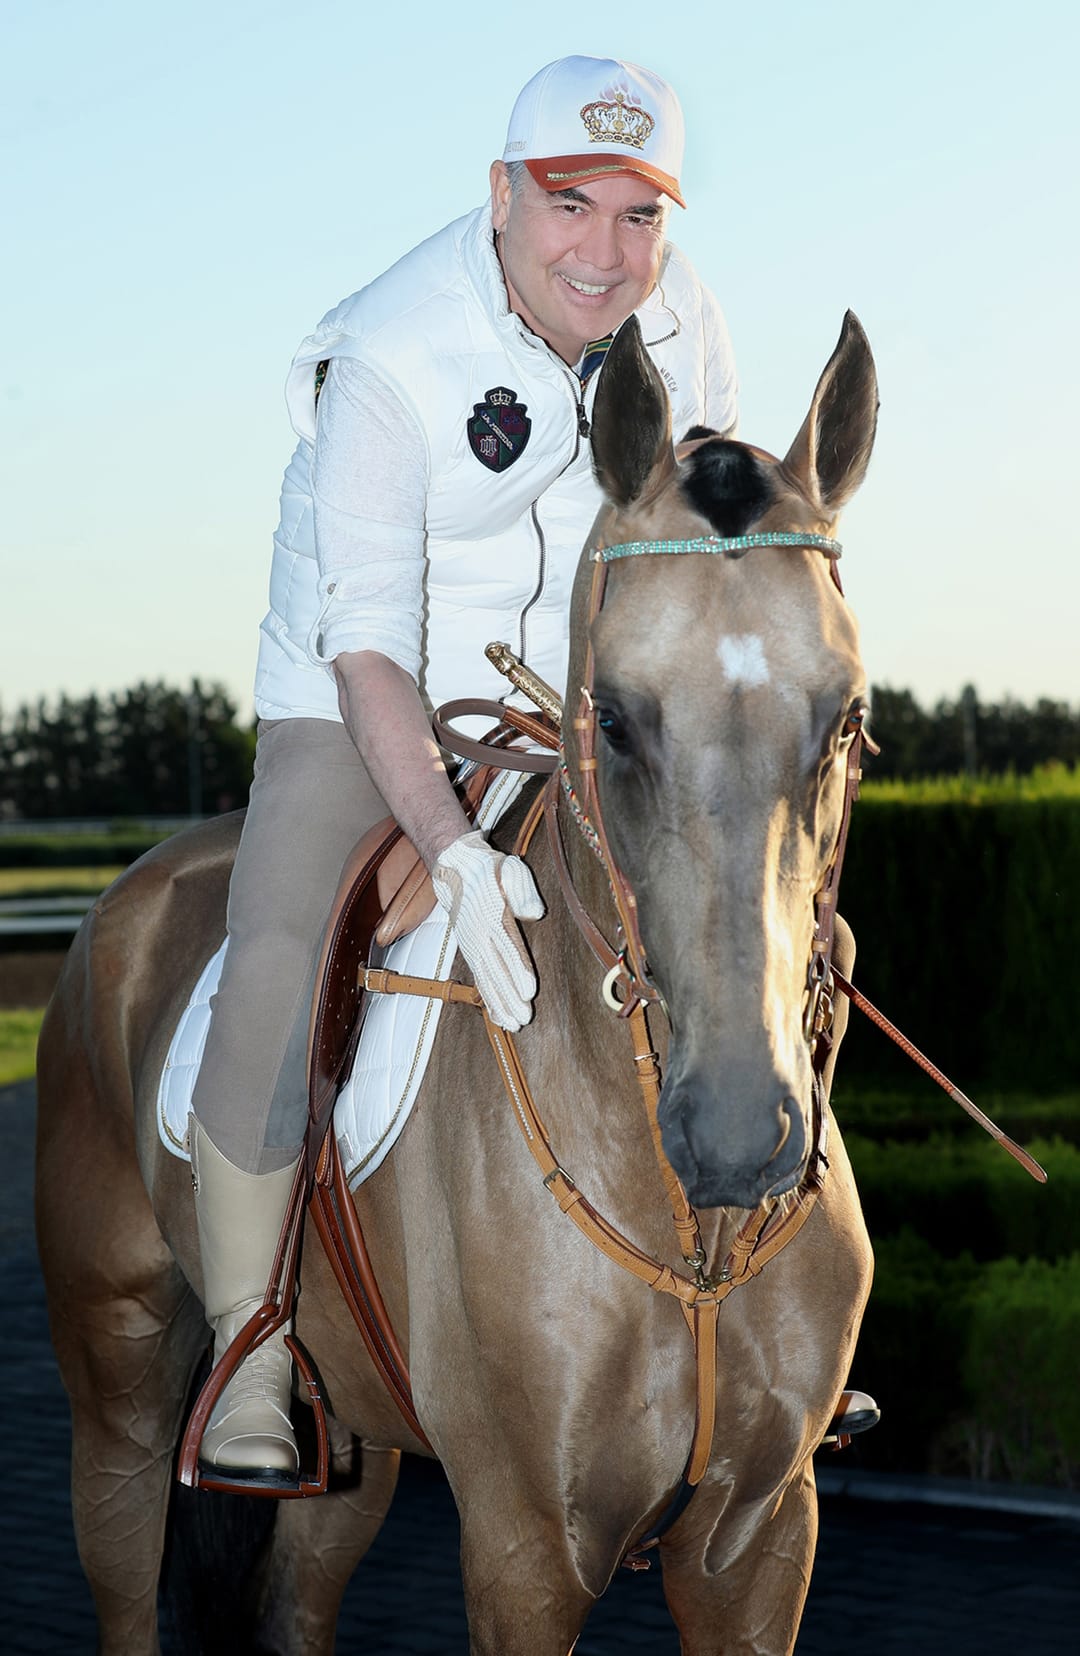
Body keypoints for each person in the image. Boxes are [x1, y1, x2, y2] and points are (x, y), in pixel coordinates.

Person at [188, 55, 862, 1488]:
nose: (607, 256)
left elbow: (708, 556)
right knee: (278, 946)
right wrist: (452, 854)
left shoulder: (684, 319)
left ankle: (772, 1299)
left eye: (639, 218)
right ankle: (250, 1349)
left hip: (585, 700)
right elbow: (370, 652)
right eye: (571, 207)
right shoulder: (388, 358)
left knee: (753, 899)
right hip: (363, 697)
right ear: (502, 196)